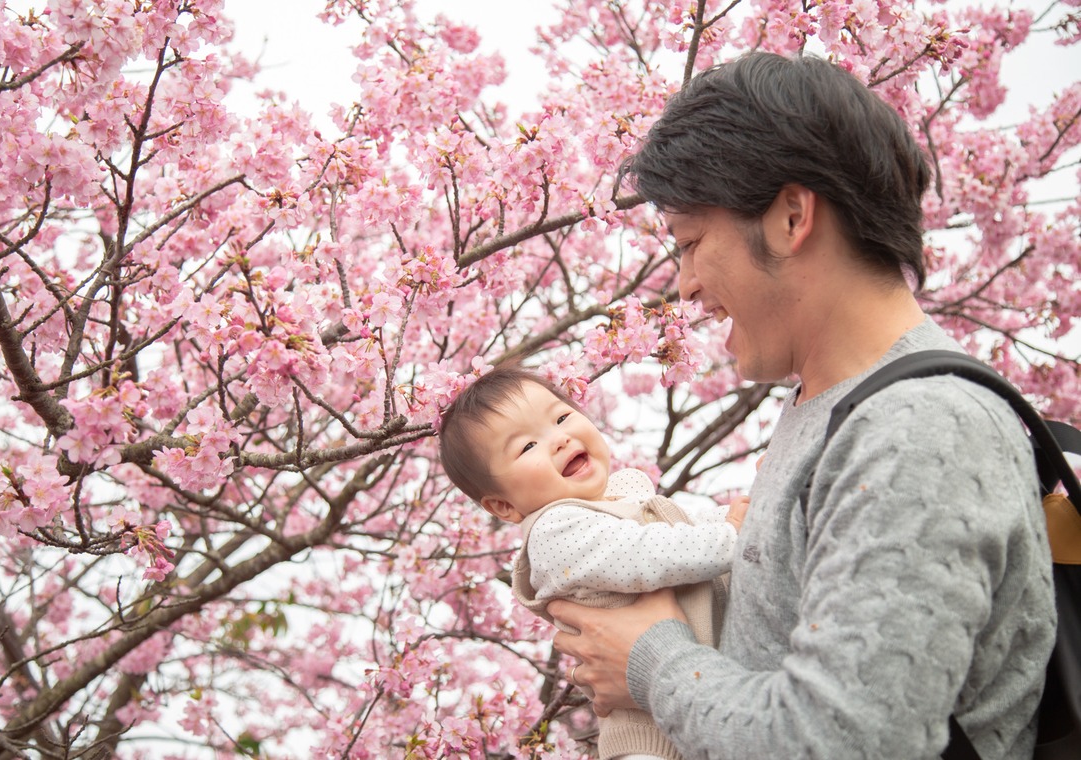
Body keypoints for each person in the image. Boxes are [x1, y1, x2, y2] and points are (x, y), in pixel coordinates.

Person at [548, 52, 1057, 760]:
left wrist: (651, 661)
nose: (685, 285)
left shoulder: (918, 428)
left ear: (791, 215)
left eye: (692, 244)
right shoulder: (832, 404)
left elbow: (844, 740)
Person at [438, 363, 749, 760]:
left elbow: (682, 528)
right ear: (502, 504)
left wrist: (740, 515)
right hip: (649, 736)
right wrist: (733, 537)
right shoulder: (554, 531)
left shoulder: (619, 505)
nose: (559, 439)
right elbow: (648, 554)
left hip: (700, 688)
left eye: (562, 417)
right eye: (527, 446)